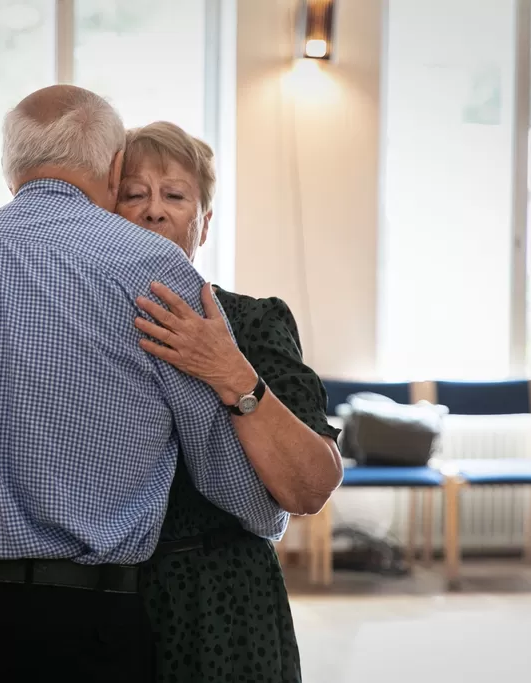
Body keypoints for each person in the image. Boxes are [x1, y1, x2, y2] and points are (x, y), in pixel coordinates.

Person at [0, 86, 288, 683]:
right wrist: (267, 514)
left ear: (10, 167)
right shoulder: (151, 271)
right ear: (114, 169)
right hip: (77, 621)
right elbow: (227, 476)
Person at [118, 122, 343, 682]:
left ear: (204, 221)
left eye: (174, 195)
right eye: (134, 194)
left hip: (224, 600)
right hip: (105, 600)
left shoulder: (254, 320)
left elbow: (311, 487)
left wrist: (230, 369)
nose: (153, 211)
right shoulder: (76, 321)